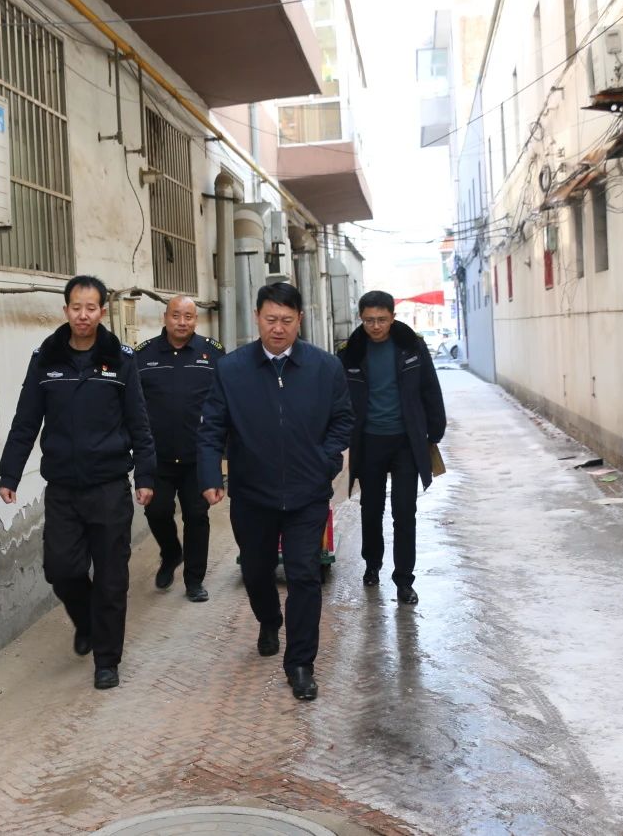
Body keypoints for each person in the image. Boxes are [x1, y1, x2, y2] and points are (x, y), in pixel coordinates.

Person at [0, 275, 156, 690]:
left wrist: (145, 475)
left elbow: (139, 423)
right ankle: (86, 620)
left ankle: (107, 660)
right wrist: (9, 472)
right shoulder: (45, 358)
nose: (83, 315)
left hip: (109, 487)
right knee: (60, 569)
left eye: (91, 308)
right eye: (76, 307)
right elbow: (26, 420)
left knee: (111, 578)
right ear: (65, 310)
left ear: (102, 311)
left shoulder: (121, 360)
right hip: (64, 489)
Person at [197, 282, 354, 701]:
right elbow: (212, 427)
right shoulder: (232, 369)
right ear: (257, 318)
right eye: (270, 319)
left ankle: (300, 664)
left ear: (299, 320)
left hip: (307, 493)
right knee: (256, 570)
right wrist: (210, 476)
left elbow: (343, 420)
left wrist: (325, 461)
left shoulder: (324, 368)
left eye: (286, 320)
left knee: (304, 575)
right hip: (253, 494)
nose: (278, 328)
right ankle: (269, 620)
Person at [336, 290, 447, 605]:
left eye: (382, 320)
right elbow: (338, 397)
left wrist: (435, 430)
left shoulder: (412, 347)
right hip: (369, 442)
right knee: (371, 510)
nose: (375, 326)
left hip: (405, 443)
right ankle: (372, 564)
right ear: (361, 318)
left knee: (405, 512)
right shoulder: (350, 352)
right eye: (369, 320)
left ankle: (404, 580)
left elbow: (430, 388)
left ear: (392, 317)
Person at [135, 295, 226, 602]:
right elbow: (133, 405)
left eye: (188, 316)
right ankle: (172, 552)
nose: (182, 322)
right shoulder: (143, 355)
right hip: (157, 456)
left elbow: (224, 403)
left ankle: (194, 581)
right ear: (165, 317)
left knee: (197, 517)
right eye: (176, 315)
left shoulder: (212, 353)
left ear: (195, 320)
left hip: (197, 456)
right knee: (157, 511)